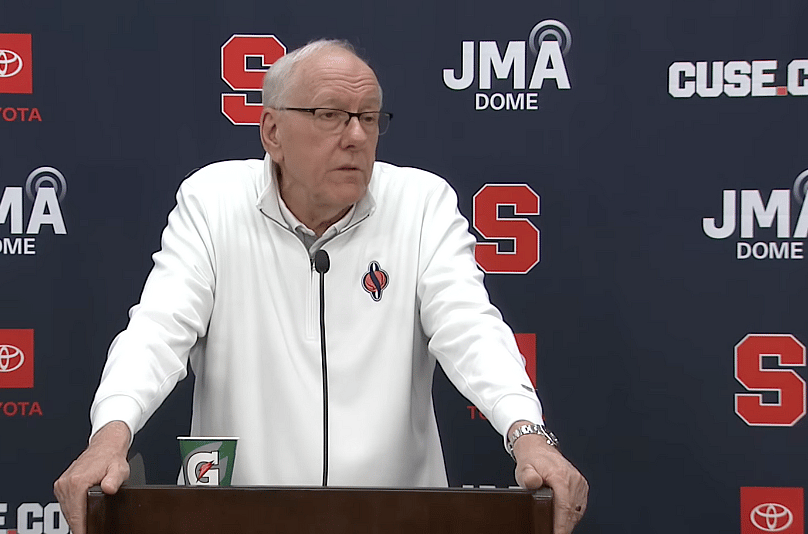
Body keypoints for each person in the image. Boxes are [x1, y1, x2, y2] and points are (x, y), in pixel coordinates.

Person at [54, 39, 588, 534]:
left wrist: (526, 432)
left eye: (369, 117)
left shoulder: (422, 204)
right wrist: (111, 432)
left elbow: (470, 329)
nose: (355, 135)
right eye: (329, 115)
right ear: (272, 132)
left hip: (398, 518)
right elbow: (158, 329)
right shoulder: (212, 200)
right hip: (244, 519)